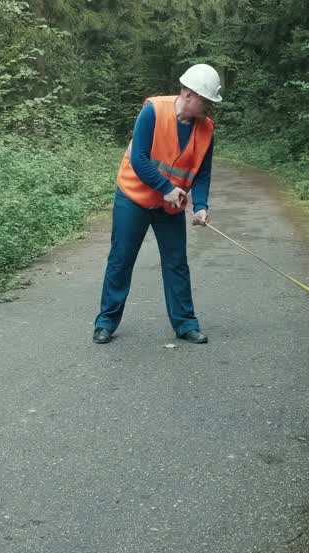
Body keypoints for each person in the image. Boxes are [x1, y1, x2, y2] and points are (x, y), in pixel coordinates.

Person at [92, 63, 223, 344]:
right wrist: (165, 187)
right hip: (133, 197)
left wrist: (201, 205)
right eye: (206, 100)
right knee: (121, 259)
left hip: (170, 206)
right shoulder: (153, 110)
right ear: (189, 94)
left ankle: (186, 323)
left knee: (177, 262)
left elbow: (202, 173)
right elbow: (139, 157)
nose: (209, 107)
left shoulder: (207, 129)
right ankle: (105, 322)